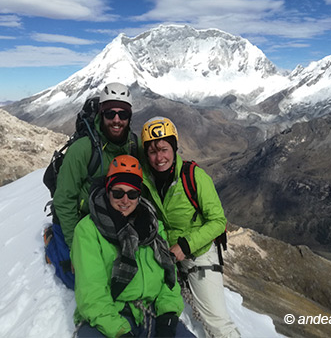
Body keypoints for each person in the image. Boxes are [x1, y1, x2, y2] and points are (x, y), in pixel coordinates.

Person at [71, 155, 193, 337]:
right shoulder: (89, 230)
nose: (125, 200)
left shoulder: (153, 226)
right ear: (108, 190)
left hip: (152, 312)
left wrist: (167, 314)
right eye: (118, 193)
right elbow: (92, 293)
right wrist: (119, 331)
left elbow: (170, 278)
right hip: (110, 315)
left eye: (133, 193)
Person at [140, 117, 240, 338]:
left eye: (164, 149)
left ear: (175, 148)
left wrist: (184, 246)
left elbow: (218, 221)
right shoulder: (145, 181)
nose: (159, 158)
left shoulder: (194, 177)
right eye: (153, 152)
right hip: (165, 254)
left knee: (217, 324)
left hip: (198, 254)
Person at [48, 83, 139, 289]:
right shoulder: (82, 150)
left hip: (111, 219)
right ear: (101, 114)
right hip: (80, 220)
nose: (116, 120)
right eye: (110, 113)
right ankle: (52, 242)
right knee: (78, 280)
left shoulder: (133, 146)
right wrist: (74, 249)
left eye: (122, 114)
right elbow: (64, 199)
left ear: (129, 117)